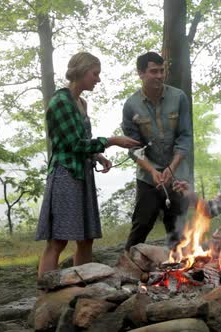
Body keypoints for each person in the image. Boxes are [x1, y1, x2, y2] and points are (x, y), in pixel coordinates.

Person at [36, 52, 140, 277]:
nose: (98, 79)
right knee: (58, 240)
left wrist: (96, 156)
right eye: (95, 74)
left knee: (85, 238)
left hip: (82, 175)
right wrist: (111, 142)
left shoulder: (81, 102)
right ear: (82, 72)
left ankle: (81, 287)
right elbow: (72, 144)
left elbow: (80, 141)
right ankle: (47, 296)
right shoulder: (60, 102)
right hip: (65, 175)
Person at [122, 51, 193, 252]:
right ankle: (127, 267)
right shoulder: (131, 105)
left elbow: (185, 137)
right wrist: (152, 171)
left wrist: (171, 169)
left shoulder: (179, 98)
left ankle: (180, 271)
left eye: (162, 71)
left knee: (177, 229)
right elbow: (133, 147)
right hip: (148, 176)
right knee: (142, 224)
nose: (160, 76)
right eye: (154, 71)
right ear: (141, 73)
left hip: (178, 173)